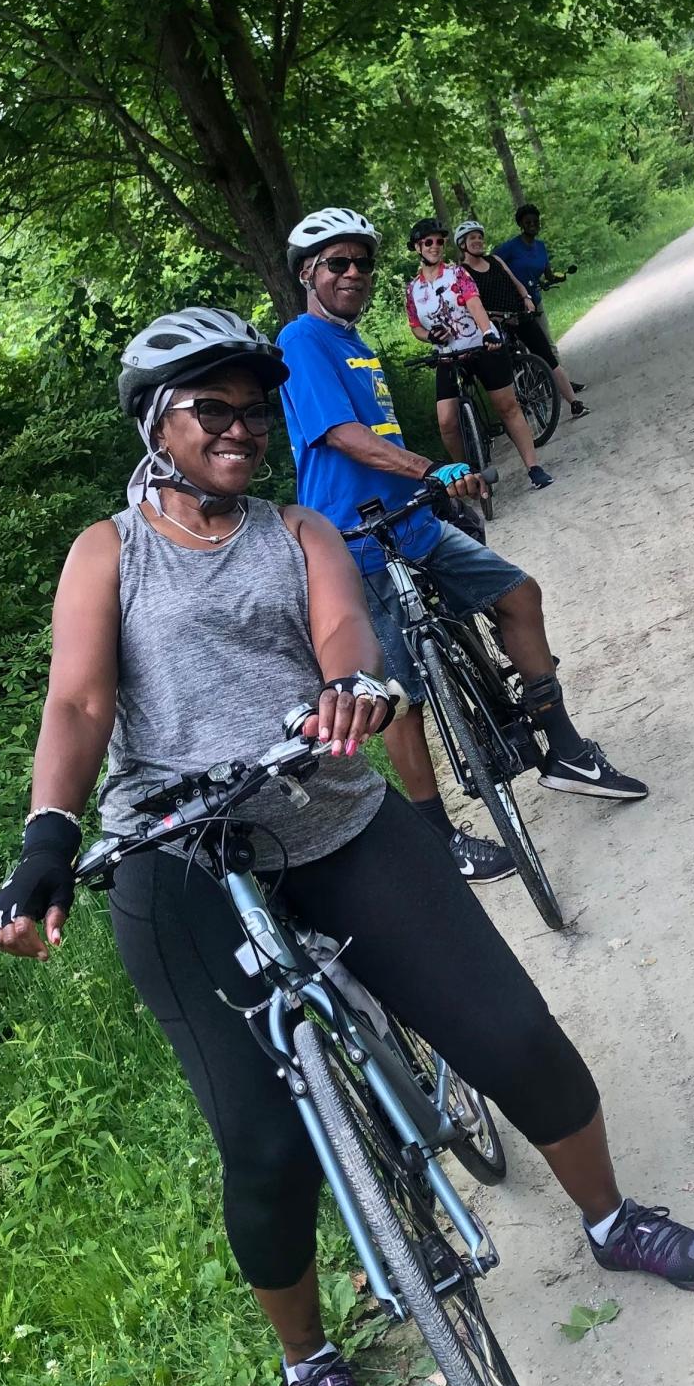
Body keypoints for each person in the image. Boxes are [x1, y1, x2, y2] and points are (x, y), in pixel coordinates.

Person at [0, 305, 694, 1386]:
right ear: (156, 426)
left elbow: (346, 634)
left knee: (513, 1034)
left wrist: (353, 688)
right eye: (212, 410)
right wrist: (49, 833)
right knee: (265, 1146)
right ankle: (309, 1361)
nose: (241, 427)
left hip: (330, 813)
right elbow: (82, 699)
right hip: (179, 859)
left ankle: (611, 1217)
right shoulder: (109, 551)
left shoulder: (297, 532)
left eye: (254, 408)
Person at [276, 208, 648, 888]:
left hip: (409, 518)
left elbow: (375, 432)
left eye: (362, 262)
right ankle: (440, 837)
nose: (353, 273)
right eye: (338, 263)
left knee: (517, 594)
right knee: (398, 697)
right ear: (309, 273)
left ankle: (562, 748)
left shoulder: (355, 341)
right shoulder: (303, 339)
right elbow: (341, 436)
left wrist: (427, 486)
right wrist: (431, 468)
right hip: (353, 539)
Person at [403, 216, 554, 491]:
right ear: (417, 247)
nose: (435, 246)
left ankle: (534, 467)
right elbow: (415, 326)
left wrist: (487, 331)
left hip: (479, 345)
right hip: (447, 356)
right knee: (447, 422)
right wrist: (430, 336)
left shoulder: (457, 274)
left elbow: (473, 302)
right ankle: (467, 477)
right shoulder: (413, 289)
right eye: (429, 242)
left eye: (439, 241)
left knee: (507, 407)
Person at [453, 219, 589, 422]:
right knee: (505, 365)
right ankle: (518, 404)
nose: (478, 241)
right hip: (495, 323)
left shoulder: (495, 261)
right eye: (473, 238)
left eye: (480, 237)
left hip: (518, 314)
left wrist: (526, 299)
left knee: (547, 357)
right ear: (462, 244)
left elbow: (516, 282)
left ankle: (574, 402)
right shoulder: (462, 273)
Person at [492, 203, 578, 374]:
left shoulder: (541, 246)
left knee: (547, 342)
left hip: (535, 301)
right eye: (527, 222)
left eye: (535, 222)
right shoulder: (511, 247)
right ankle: (533, 381)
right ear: (521, 225)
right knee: (524, 345)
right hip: (515, 304)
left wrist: (558, 277)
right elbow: (492, 262)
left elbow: (548, 274)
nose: (532, 225)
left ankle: (562, 380)